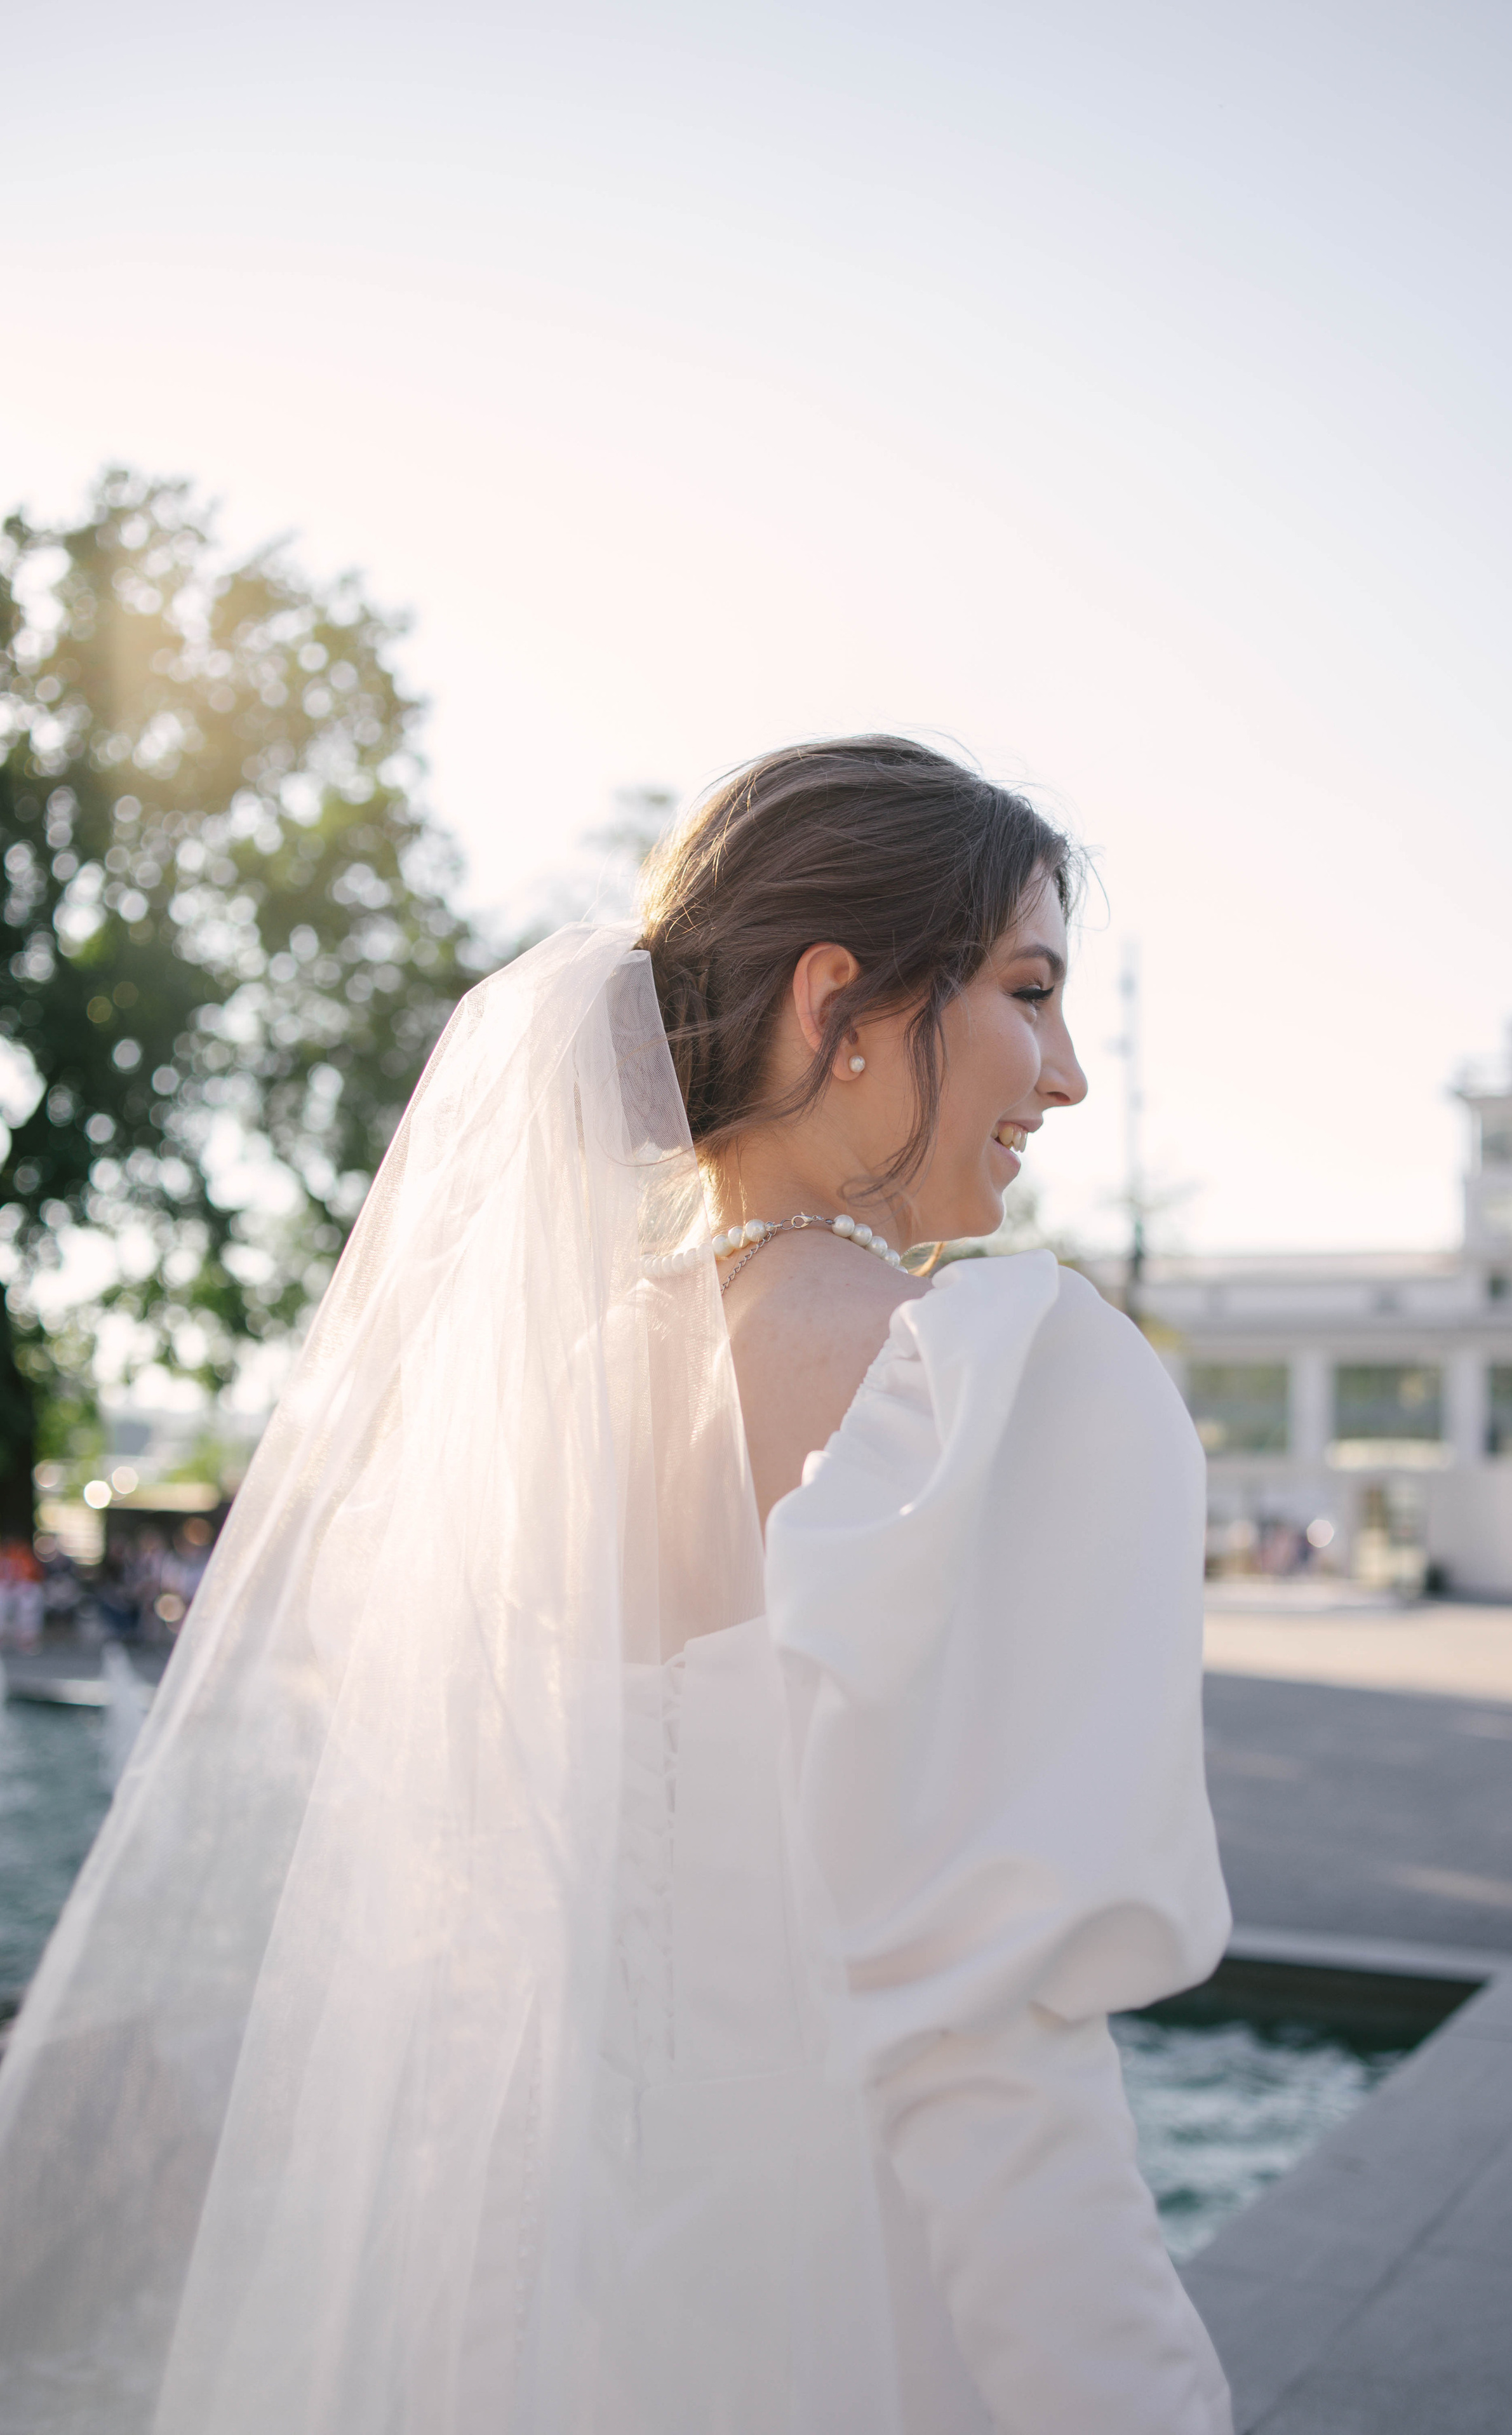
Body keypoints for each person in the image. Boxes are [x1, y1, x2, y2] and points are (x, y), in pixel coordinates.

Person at [0, 736, 1231, 2433]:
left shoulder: (539, 1399)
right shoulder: (992, 1389)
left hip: (542, 2338)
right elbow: (994, 2062)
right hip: (854, 2337)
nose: (1070, 1069)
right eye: (1030, 991)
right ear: (842, 1005)